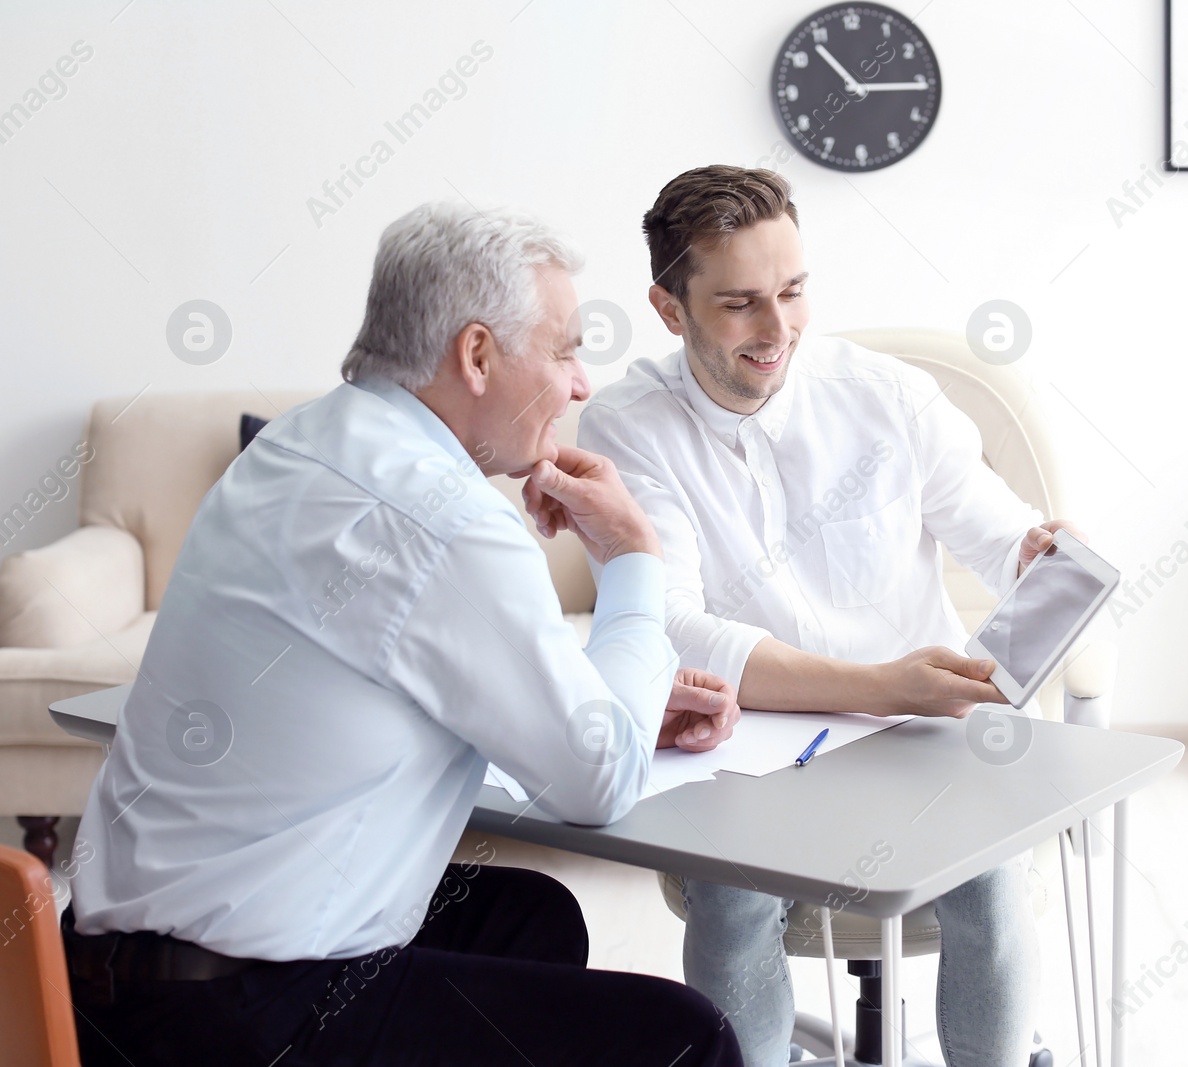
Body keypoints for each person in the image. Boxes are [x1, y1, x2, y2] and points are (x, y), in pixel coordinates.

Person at [62, 201, 743, 1066]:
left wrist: (604, 698)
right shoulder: (444, 519)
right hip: (232, 1018)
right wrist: (633, 553)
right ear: (478, 354)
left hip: (107, 972)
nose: (580, 383)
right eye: (567, 347)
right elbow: (597, 781)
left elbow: (382, 675)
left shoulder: (300, 447)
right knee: (686, 1039)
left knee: (529, 918)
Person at [577, 165, 1081, 1067]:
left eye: (795, 291)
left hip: (919, 731)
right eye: (739, 304)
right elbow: (676, 627)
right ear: (668, 306)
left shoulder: (886, 394)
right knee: (732, 906)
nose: (779, 331)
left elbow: (995, 529)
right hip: (746, 739)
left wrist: (1033, 555)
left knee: (993, 884)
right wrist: (884, 682)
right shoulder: (627, 427)